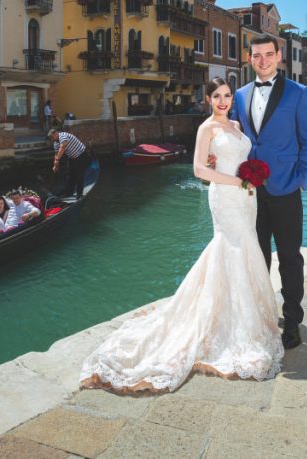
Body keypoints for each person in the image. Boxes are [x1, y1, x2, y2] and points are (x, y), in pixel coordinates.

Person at [79, 77, 283, 392]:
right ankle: (224, 324)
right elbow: (199, 170)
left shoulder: (238, 128)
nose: (223, 101)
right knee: (228, 248)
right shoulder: (207, 129)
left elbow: (242, 159)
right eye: (216, 96)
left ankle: (246, 319)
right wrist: (237, 182)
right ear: (208, 99)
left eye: (227, 95)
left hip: (247, 198)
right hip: (227, 197)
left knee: (248, 248)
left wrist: (252, 174)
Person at [232, 34, 307, 350]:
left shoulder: (298, 93)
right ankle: (261, 315)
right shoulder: (239, 96)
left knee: (290, 259)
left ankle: (292, 321)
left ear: (279, 56)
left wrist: (300, 180)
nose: (263, 60)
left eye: (269, 54)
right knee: (257, 258)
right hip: (250, 192)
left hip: (285, 189)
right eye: (257, 55)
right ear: (250, 59)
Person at [49, 128, 90, 197]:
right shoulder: (56, 143)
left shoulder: (63, 136)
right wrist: (55, 165)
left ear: (56, 133)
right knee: (71, 176)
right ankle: (69, 193)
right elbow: (56, 154)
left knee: (79, 175)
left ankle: (79, 194)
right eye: (51, 138)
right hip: (72, 157)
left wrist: (57, 160)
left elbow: (63, 146)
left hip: (81, 155)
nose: (52, 139)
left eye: (52, 137)